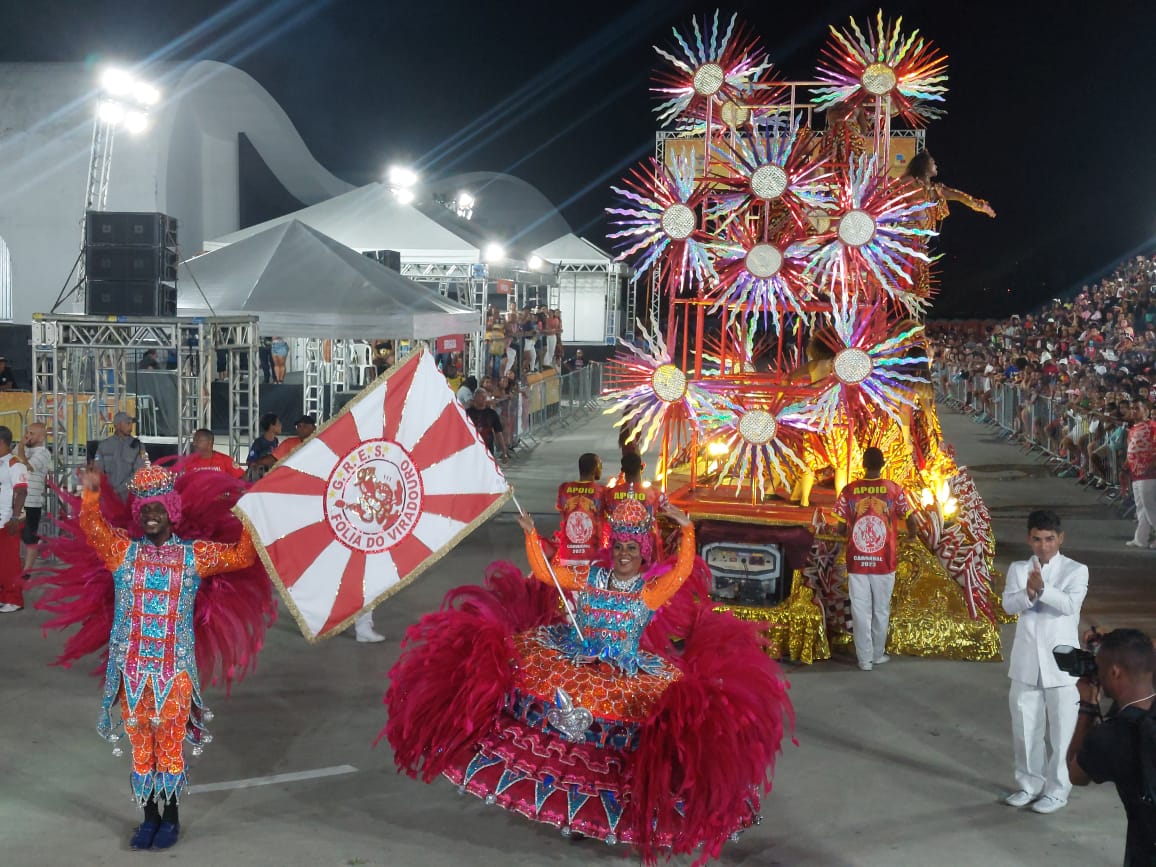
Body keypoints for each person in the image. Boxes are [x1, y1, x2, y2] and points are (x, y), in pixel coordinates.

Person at [384, 495, 792, 865]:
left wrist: (686, 528)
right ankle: (568, 810)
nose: (624, 555)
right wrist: (531, 537)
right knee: (549, 717)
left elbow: (684, 571)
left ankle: (607, 816)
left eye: (632, 549)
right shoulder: (593, 578)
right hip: (575, 657)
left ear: (643, 553)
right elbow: (547, 575)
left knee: (624, 745)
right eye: (619, 548)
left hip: (626, 675)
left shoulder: (648, 593)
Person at [74, 463, 258, 850]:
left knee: (169, 747)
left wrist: (253, 513)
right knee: (142, 750)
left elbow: (243, 556)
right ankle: (149, 820)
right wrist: (90, 494)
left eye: (157, 508)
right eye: (144, 510)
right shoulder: (122, 552)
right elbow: (92, 528)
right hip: (132, 670)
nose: (150, 515)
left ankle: (170, 821)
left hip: (173, 671)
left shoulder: (195, 556)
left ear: (171, 511)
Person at [1001, 509, 1089, 814]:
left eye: (1049, 539)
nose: (1043, 546)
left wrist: (1043, 588)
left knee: (1062, 732)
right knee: (1025, 729)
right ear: (1029, 538)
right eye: (1037, 539)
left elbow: (1069, 605)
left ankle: (1057, 790)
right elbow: (1008, 604)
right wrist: (1027, 591)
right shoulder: (1017, 569)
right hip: (1026, 663)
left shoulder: (1076, 571)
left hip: (1062, 667)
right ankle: (1029, 785)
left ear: (1060, 538)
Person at [1067, 628, 1156, 866]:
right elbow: (1144, 652)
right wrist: (1113, 646)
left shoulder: (1111, 737)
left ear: (1115, 672)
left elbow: (1075, 774)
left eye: (1100, 667)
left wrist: (1087, 705)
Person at [831, 447, 919, 671]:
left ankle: (864, 660)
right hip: (884, 561)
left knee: (860, 610)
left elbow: (840, 526)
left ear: (863, 464)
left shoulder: (849, 490)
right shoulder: (894, 489)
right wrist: (912, 537)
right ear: (883, 464)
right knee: (881, 609)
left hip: (857, 560)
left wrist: (841, 532)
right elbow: (911, 520)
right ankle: (878, 654)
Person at [553, 452, 604, 566]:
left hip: (567, 554)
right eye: (600, 465)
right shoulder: (602, 491)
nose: (601, 469)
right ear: (595, 468)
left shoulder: (564, 488)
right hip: (593, 556)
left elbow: (561, 509)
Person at [17, 421, 51, 578]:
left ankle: (27, 570)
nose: (28, 436)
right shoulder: (21, 449)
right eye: (28, 432)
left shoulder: (43, 453)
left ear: (41, 437)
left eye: (32, 433)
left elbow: (26, 466)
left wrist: (21, 447)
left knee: (30, 537)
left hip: (32, 502)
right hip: (16, 501)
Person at [0, 427, 27, 613]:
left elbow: (22, 491)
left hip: (9, 520)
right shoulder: (2, 464)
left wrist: (15, 517)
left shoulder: (14, 464)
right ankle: (5, 597)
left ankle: (15, 599)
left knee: (10, 562)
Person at [94, 412, 147, 499]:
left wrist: (118, 490)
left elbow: (140, 473)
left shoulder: (139, 447)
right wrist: (107, 490)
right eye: (127, 423)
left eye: (131, 423)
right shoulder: (104, 446)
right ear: (117, 425)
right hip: (108, 497)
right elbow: (98, 471)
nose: (131, 426)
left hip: (130, 497)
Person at [1125, 401, 1156, 549]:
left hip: (1149, 472)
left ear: (1146, 411)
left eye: (1137, 408)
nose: (1133, 411)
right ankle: (1141, 538)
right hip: (1136, 472)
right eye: (1132, 408)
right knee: (1140, 506)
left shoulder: (1152, 427)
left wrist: (1152, 464)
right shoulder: (1132, 429)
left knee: (1150, 506)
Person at [465, 388, 508, 461]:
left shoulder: (492, 413)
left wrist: (504, 451)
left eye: (485, 397)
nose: (484, 399)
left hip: (488, 449)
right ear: (475, 397)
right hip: (471, 450)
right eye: (481, 397)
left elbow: (498, 432)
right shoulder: (467, 413)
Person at [246, 414, 281, 481]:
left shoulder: (276, 441)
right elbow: (249, 462)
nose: (281, 426)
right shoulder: (259, 442)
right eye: (278, 423)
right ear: (271, 426)